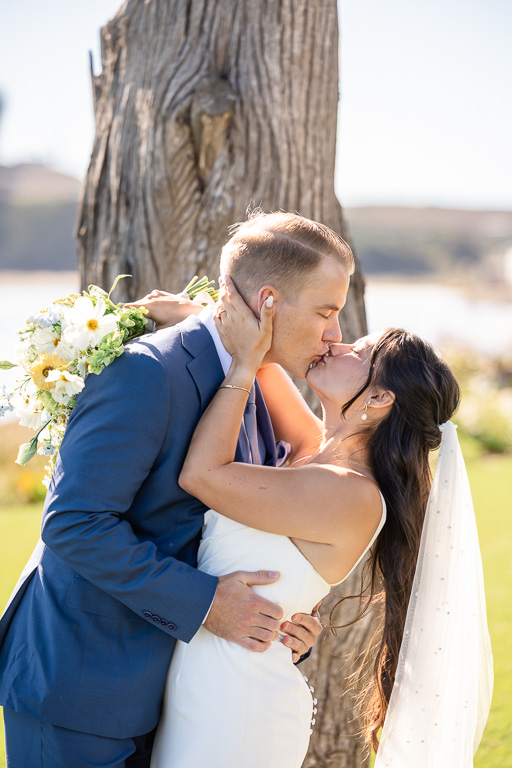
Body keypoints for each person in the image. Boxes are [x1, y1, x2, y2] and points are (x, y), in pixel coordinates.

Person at [0, 211, 354, 768]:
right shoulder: (148, 372)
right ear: (268, 301)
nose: (335, 334)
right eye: (326, 312)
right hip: (83, 683)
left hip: (180, 692)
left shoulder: (252, 377)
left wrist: (278, 618)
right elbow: (74, 522)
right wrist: (209, 603)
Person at [141, 276, 492, 767]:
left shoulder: (350, 494)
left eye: (360, 352)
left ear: (379, 399)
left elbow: (202, 474)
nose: (337, 343)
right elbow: (265, 361)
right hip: (211, 676)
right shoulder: (323, 458)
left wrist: (239, 363)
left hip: (237, 701)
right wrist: (202, 318)